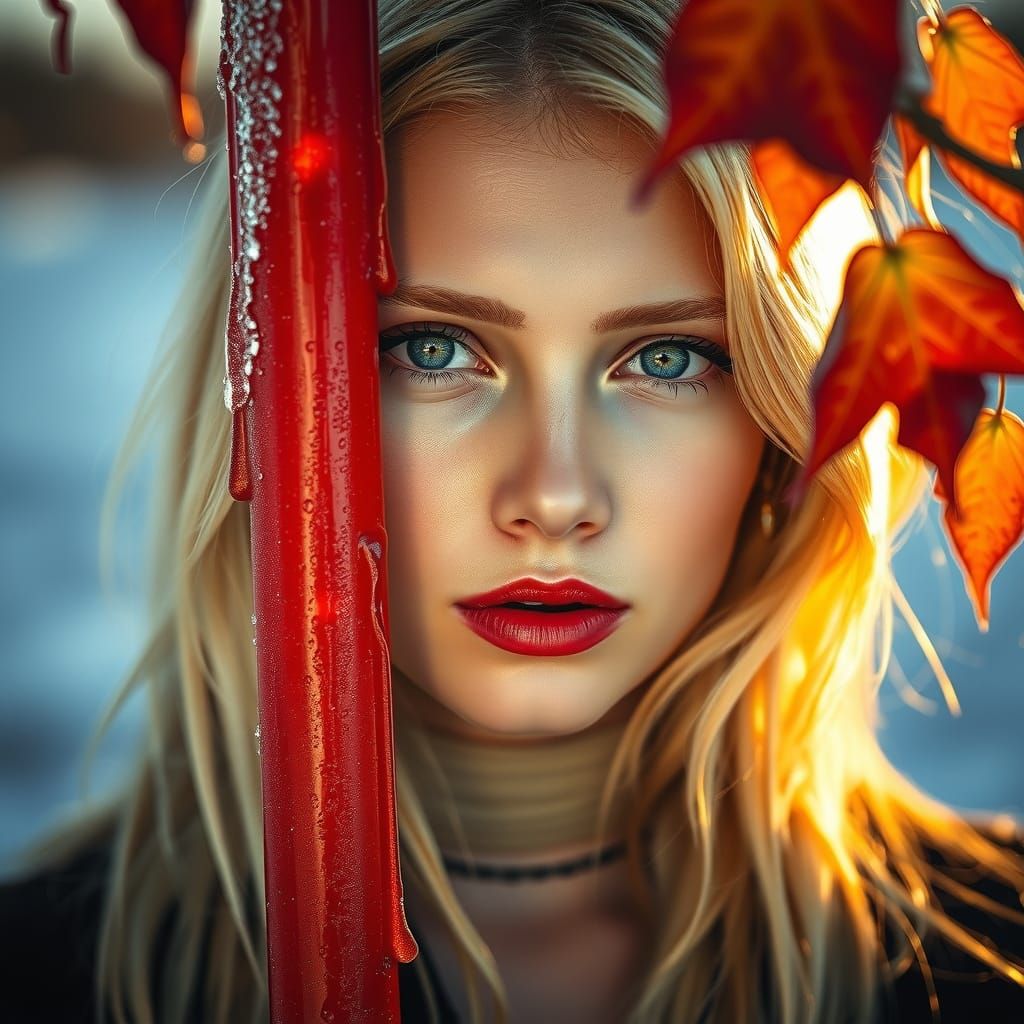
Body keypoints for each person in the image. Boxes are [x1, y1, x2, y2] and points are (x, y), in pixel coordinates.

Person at [3, 1, 1024, 1022]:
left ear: (785, 426)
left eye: (669, 359)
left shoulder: (996, 958)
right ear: (264, 399)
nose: (554, 497)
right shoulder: (45, 979)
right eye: (434, 349)